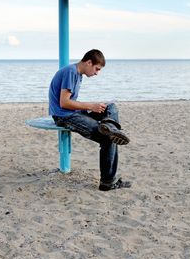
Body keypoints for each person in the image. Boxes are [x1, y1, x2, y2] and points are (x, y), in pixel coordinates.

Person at [49, 49, 131, 191]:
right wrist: (90, 106)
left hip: (72, 112)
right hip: (63, 116)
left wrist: (94, 107)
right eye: (96, 69)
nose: (97, 73)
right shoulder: (71, 72)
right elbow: (64, 103)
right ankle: (107, 182)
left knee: (110, 107)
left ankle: (110, 125)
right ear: (88, 62)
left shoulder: (77, 73)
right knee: (108, 138)